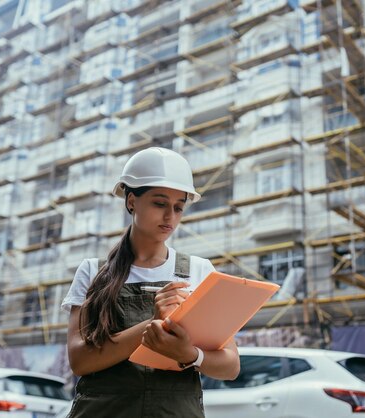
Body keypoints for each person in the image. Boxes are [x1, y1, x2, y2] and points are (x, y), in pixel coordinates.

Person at [61, 147, 240, 418]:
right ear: (132, 201)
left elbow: (230, 366)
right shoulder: (93, 272)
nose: (170, 216)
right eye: (159, 203)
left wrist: (189, 354)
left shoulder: (199, 271)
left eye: (178, 207)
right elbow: (80, 360)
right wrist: (152, 326)